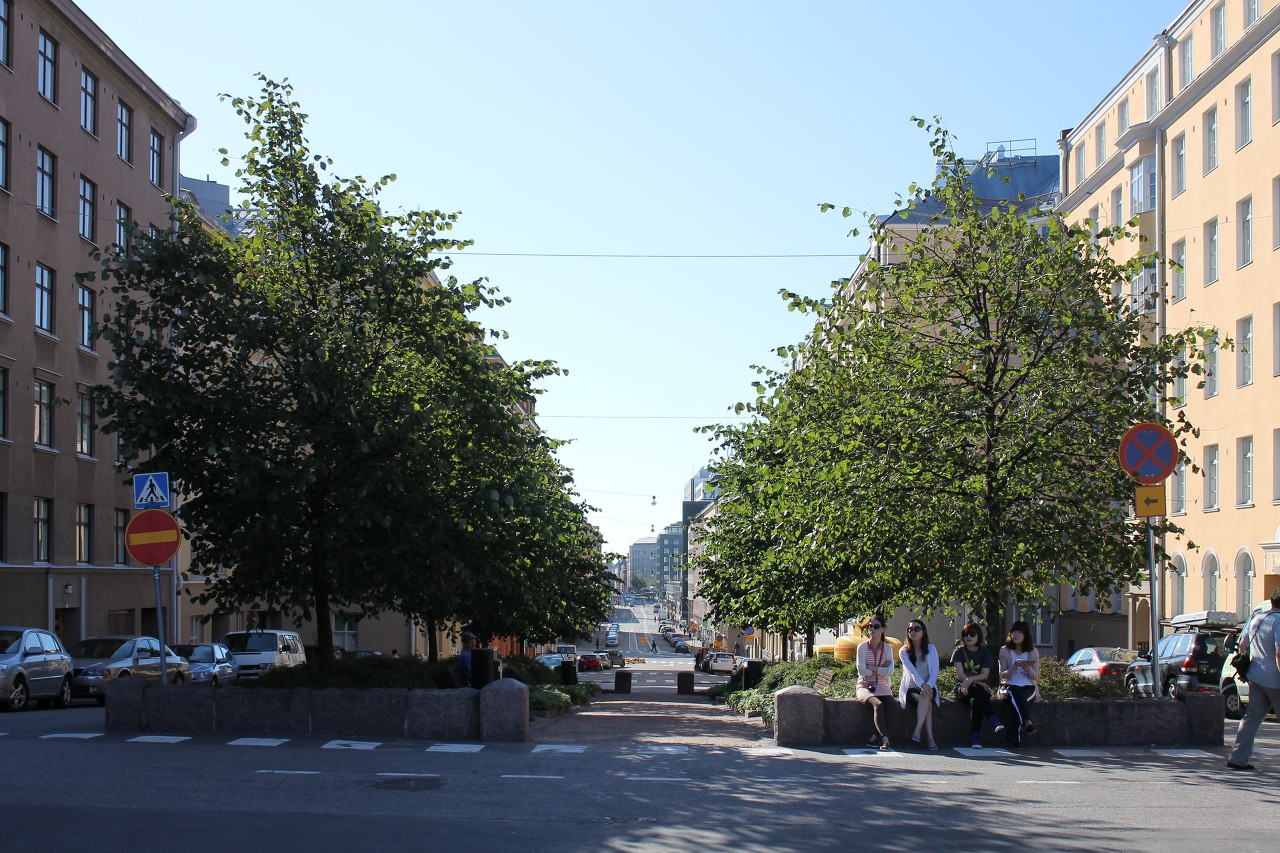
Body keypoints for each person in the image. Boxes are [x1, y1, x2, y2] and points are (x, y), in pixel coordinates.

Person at [1227, 588, 1280, 770]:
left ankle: (1237, 758)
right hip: (1274, 679)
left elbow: (1242, 644)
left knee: (1251, 719)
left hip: (1255, 677)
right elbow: (1279, 652)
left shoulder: (1258, 618)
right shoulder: (1278, 622)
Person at [951, 622, 1002, 749]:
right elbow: (961, 676)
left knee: (976, 700)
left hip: (979, 687)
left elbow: (985, 674)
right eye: (965, 634)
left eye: (972, 634)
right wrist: (969, 681)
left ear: (978, 636)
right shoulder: (958, 651)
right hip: (962, 687)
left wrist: (971, 679)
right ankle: (993, 718)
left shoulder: (985, 652)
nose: (968, 637)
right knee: (976, 691)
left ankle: (975, 736)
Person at [898, 619, 940, 750]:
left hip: (929, 685)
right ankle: (930, 739)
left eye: (917, 629)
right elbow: (912, 673)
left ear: (923, 631)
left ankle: (917, 731)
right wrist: (923, 686)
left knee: (926, 696)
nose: (913, 631)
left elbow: (934, 670)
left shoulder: (931, 649)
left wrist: (928, 685)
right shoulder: (904, 651)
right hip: (912, 688)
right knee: (926, 700)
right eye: (910, 629)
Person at [855, 618, 896, 750]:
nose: (871, 629)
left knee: (893, 707)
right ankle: (885, 738)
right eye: (870, 626)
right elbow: (861, 670)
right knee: (878, 705)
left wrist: (871, 668)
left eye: (876, 626)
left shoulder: (888, 648)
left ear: (883, 630)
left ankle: (873, 737)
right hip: (865, 686)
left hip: (883, 686)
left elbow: (890, 671)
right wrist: (881, 669)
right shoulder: (862, 647)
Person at [998, 620, 1040, 749]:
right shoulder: (1005, 650)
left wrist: (1028, 669)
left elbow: (1034, 676)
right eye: (1013, 632)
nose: (1015, 635)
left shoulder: (1033, 651)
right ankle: (1027, 721)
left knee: (1018, 701)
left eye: (1019, 632)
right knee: (1015, 693)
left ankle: (1012, 737)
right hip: (1009, 686)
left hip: (1027, 686)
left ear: (1025, 635)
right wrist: (1014, 667)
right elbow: (1002, 675)